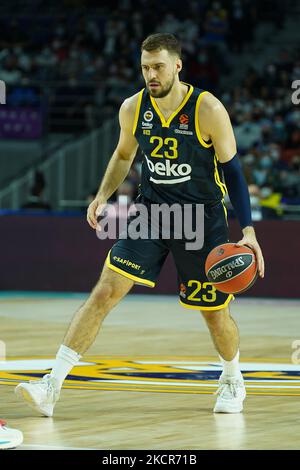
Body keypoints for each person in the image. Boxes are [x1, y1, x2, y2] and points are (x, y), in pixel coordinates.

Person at [15, 33, 264, 416]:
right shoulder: (133, 107)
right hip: (152, 213)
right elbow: (122, 155)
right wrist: (102, 195)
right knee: (104, 292)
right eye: (145, 67)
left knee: (214, 313)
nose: (151, 73)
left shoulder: (208, 109)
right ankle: (52, 384)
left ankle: (232, 377)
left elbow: (232, 172)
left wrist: (247, 230)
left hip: (202, 218)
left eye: (158, 66)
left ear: (177, 66)